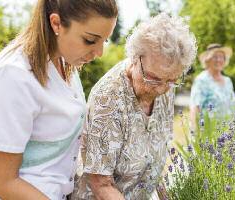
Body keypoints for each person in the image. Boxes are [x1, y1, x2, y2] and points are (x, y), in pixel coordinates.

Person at [0, 0, 117, 199]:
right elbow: (1, 180)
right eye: (90, 40)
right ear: (56, 23)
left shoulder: (64, 63)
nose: (99, 53)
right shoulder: (12, 76)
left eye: (105, 40)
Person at [70, 13, 197, 200]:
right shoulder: (109, 99)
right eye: (154, 79)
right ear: (135, 58)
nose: (162, 89)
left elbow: (155, 165)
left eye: (172, 80)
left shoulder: (165, 83)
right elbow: (101, 184)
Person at [189, 44, 235, 130]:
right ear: (207, 60)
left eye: (221, 57)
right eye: (214, 57)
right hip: (208, 130)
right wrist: (195, 132)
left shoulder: (228, 81)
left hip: (227, 130)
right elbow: (195, 106)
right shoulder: (202, 80)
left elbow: (233, 106)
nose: (218, 60)